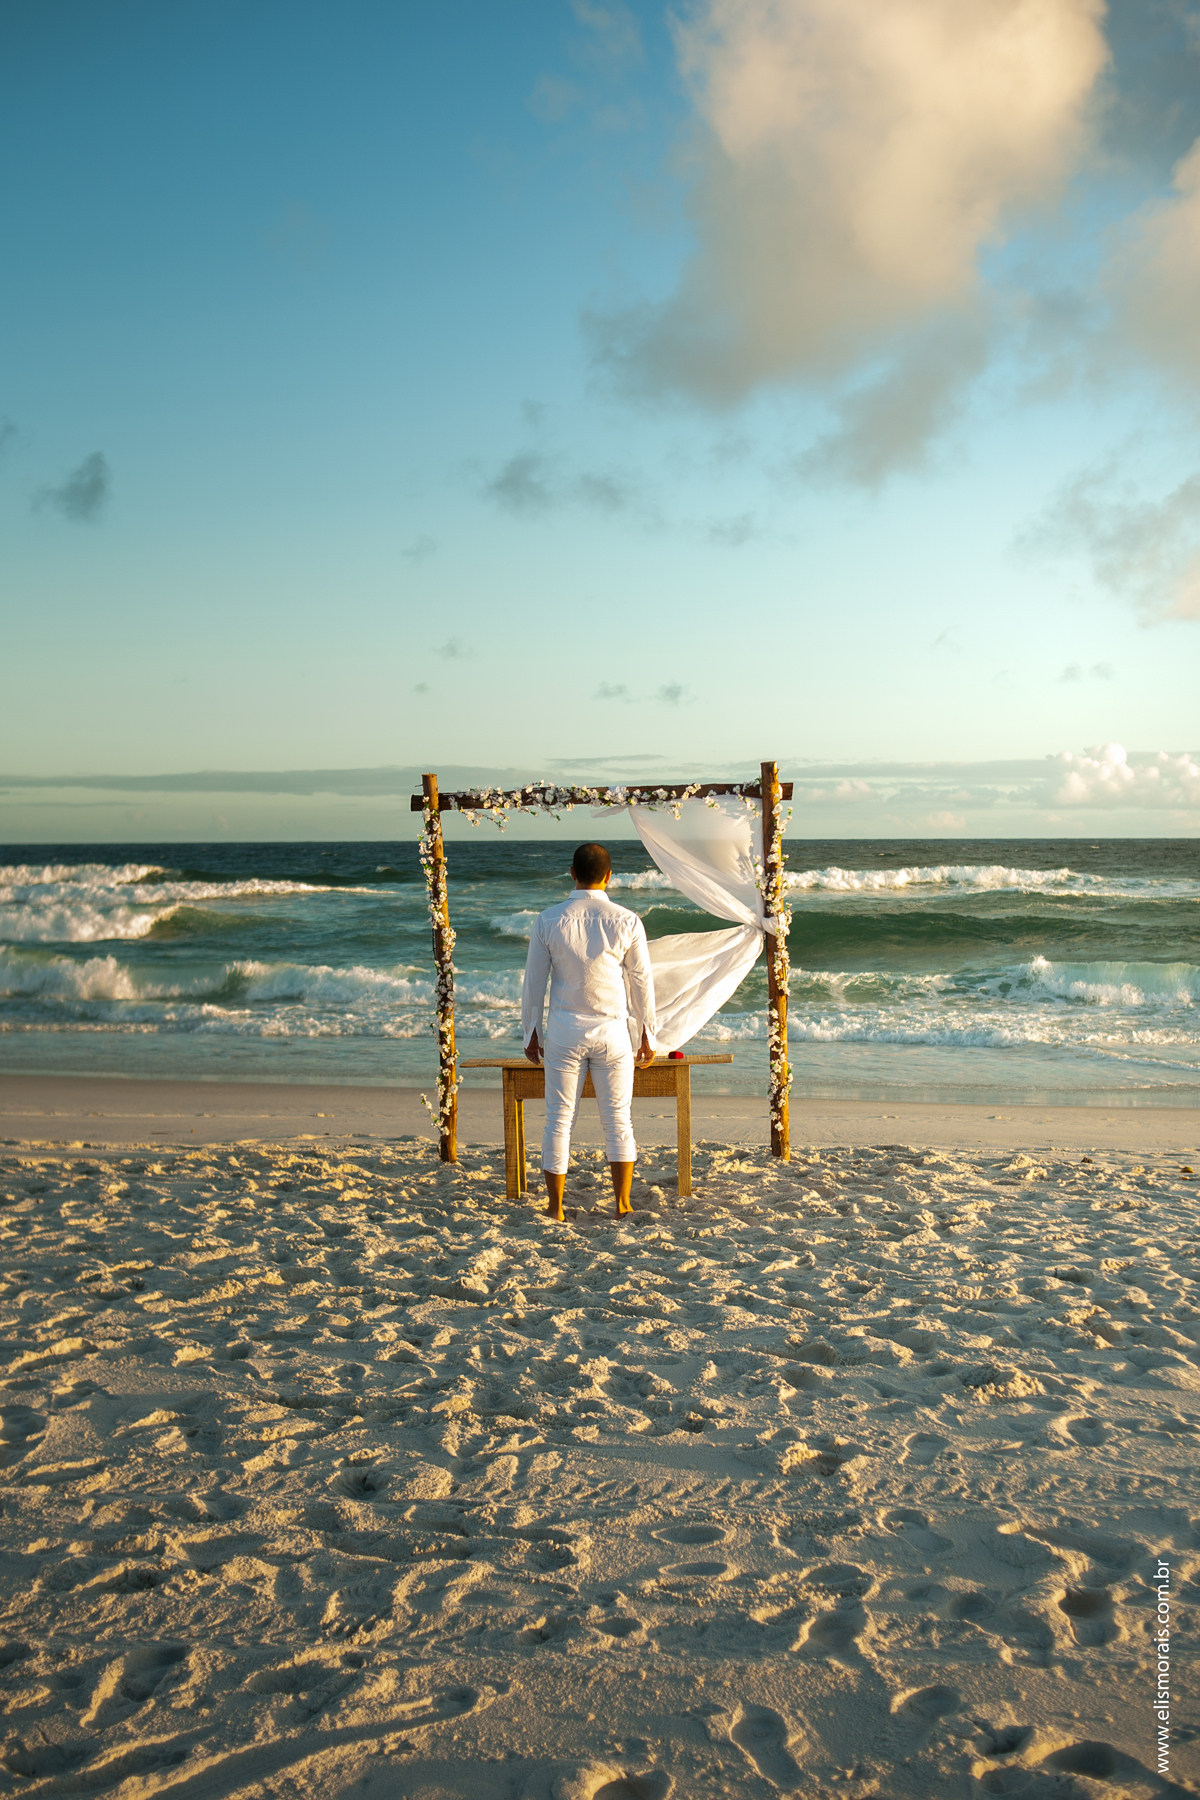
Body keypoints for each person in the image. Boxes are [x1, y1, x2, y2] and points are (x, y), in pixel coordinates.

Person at [521, 842, 656, 1220]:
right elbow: (642, 982)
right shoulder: (627, 920)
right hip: (612, 1032)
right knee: (618, 1119)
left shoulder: (548, 920)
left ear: (572, 873)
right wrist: (648, 1033)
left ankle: (555, 1207)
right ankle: (622, 1203)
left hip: (564, 1029)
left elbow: (534, 981)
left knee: (559, 1118)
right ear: (609, 876)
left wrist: (531, 1031)